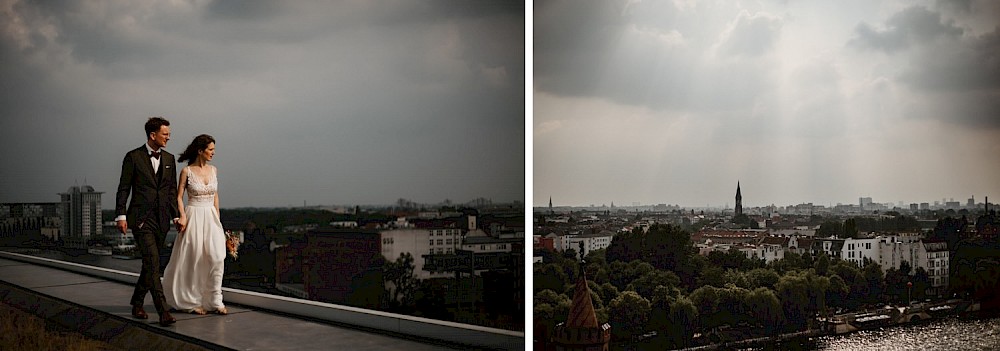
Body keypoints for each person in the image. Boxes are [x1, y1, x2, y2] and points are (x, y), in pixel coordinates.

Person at [116, 117, 179, 326]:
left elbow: (171, 191)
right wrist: (121, 215)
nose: (169, 137)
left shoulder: (170, 159)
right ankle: (163, 311)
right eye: (165, 134)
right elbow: (124, 188)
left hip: (162, 220)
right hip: (141, 220)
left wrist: (176, 215)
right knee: (152, 261)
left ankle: (137, 302)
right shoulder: (133, 157)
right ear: (153, 135)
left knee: (150, 264)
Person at [163, 134, 228, 315]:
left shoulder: (214, 170)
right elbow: (178, 196)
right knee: (194, 259)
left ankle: (215, 300)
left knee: (217, 256)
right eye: (210, 150)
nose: (213, 153)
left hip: (211, 217)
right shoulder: (187, 172)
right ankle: (191, 301)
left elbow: (215, 195)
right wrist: (181, 216)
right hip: (193, 216)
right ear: (200, 151)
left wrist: (218, 220)